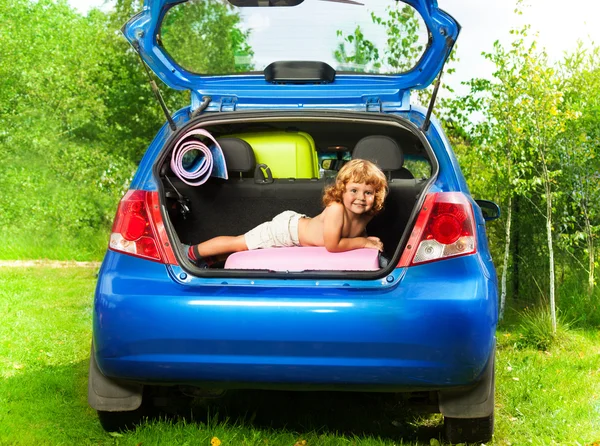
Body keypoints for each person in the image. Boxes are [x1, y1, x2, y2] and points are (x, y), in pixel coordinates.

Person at [185, 159, 388, 268]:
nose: (361, 197)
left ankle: (209, 260)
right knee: (240, 242)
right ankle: (191, 252)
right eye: (354, 190)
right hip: (287, 230)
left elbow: (352, 236)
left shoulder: (366, 214)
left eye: (368, 192)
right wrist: (364, 243)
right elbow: (333, 245)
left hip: (299, 234)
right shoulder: (336, 209)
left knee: (247, 249)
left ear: (376, 195)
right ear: (341, 190)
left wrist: (366, 239)